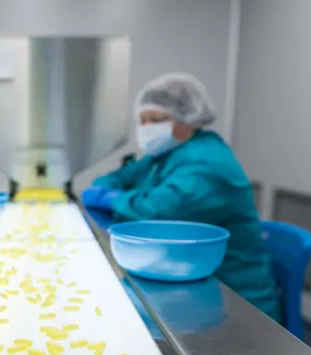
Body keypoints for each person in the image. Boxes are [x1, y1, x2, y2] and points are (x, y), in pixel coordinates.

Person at [82, 73, 280, 322]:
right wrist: (108, 190)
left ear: (190, 118)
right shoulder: (165, 156)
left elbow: (155, 211)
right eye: (142, 120)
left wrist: (112, 199)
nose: (147, 128)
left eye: (157, 119)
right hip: (187, 280)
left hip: (234, 301)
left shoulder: (208, 165)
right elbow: (119, 177)